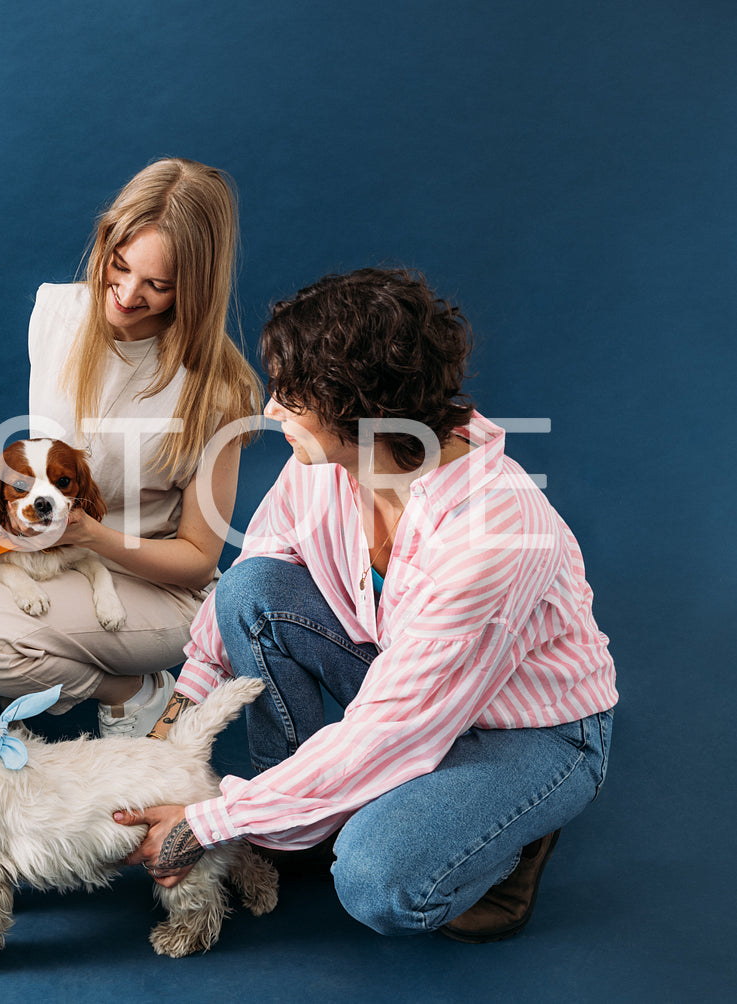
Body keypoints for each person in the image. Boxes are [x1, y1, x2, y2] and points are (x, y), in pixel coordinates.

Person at [117, 266, 617, 942]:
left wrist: (208, 821)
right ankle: (294, 822)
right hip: (407, 684)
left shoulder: (495, 534)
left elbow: (395, 726)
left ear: (358, 412)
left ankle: (508, 841)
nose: (270, 412)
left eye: (290, 398)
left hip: (525, 732)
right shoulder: (324, 463)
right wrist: (173, 727)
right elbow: (248, 578)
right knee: (251, 589)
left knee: (376, 879)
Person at [0, 158, 264, 738]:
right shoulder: (56, 313)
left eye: (158, 285)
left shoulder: (217, 388)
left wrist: (89, 534)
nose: (128, 295)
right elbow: (41, 462)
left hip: (156, 584)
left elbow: (199, 559)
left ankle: (134, 689)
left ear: (197, 288)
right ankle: (94, 665)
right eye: (120, 267)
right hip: (53, 557)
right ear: (106, 240)